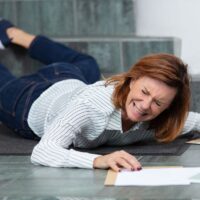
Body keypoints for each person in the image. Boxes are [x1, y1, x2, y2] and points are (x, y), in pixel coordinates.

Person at [0, 19, 200, 172]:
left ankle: (12, 33)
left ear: (168, 108)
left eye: (157, 102)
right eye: (144, 92)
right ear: (132, 80)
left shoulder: (162, 121)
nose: (145, 105)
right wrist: (97, 160)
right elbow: (43, 151)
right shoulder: (93, 105)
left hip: (68, 79)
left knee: (87, 62)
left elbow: (194, 121)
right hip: (26, 101)